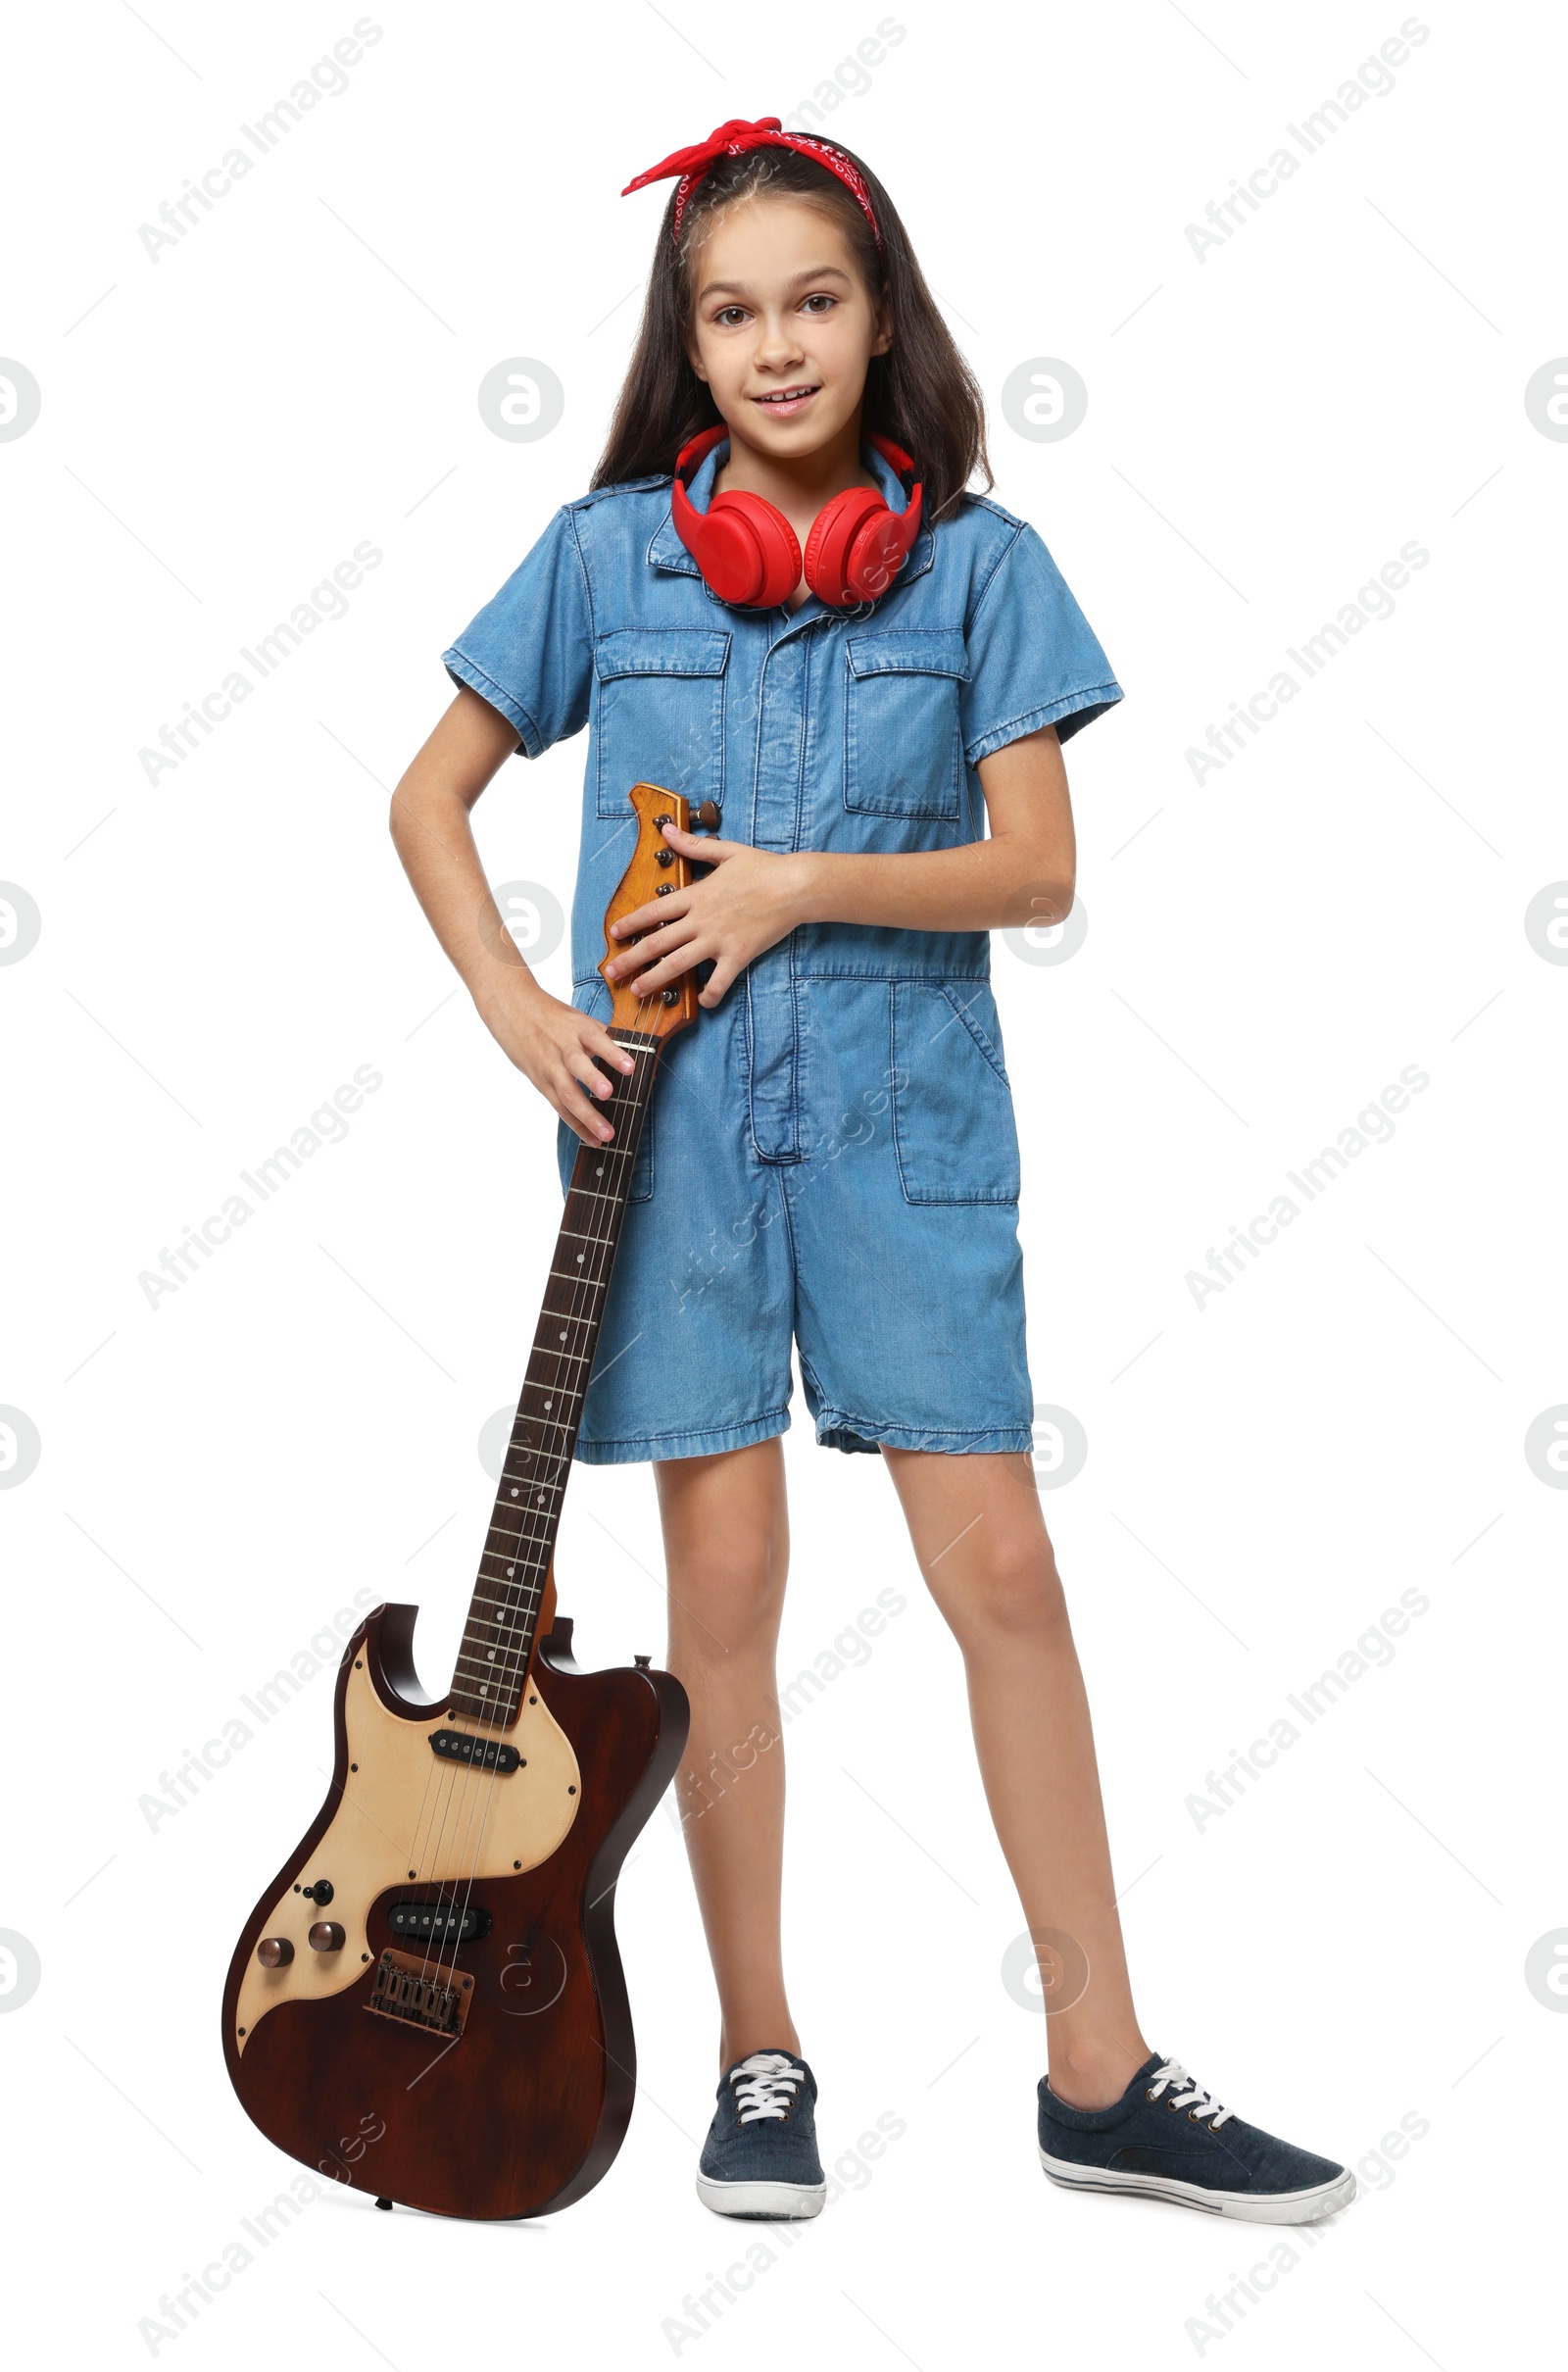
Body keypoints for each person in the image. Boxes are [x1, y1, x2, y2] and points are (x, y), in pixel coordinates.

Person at [390, 116, 1351, 2229]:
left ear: (879, 310)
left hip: (907, 1133)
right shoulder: (603, 558)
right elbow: (425, 798)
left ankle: (1093, 2068)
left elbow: (1036, 864)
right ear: (686, 339)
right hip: (671, 1152)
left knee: (998, 1573)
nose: (772, 345)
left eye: (812, 301)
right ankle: (759, 2054)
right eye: (726, 312)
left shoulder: (984, 571)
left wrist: (788, 891)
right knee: (715, 1605)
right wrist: (509, 1011)